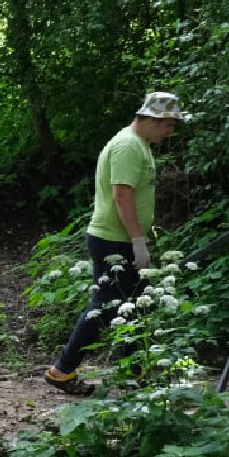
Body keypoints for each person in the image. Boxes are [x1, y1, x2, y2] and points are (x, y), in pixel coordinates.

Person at [44, 92, 187, 394]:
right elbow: (122, 195)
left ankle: (137, 375)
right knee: (106, 307)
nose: (170, 131)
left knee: (132, 307)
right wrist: (137, 240)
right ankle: (62, 370)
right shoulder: (127, 147)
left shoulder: (141, 145)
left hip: (122, 239)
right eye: (168, 124)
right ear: (151, 119)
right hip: (113, 240)